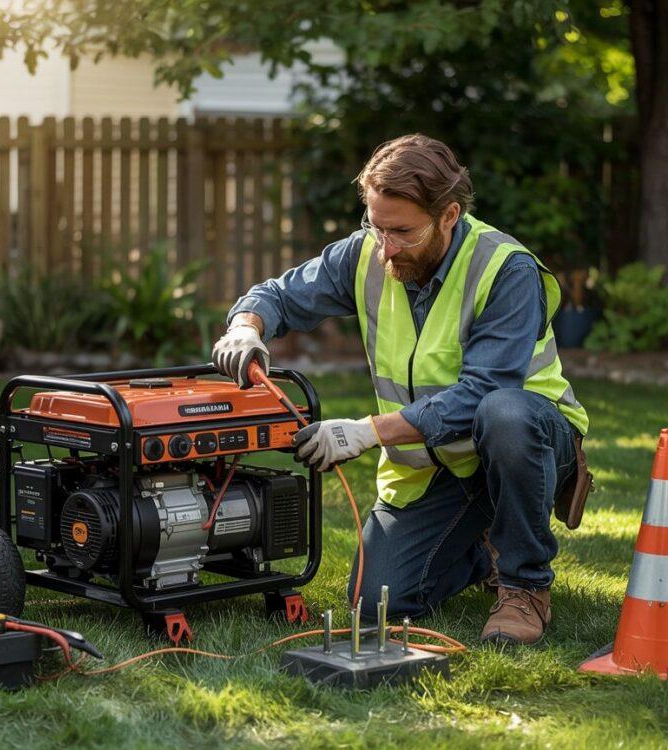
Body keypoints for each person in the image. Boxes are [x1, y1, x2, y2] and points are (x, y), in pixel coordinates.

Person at [212, 134, 591, 644]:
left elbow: (482, 393)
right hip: (435, 468)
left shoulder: (507, 270)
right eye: (376, 226)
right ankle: (481, 545)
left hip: (529, 442)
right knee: (375, 604)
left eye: (403, 232)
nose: (386, 246)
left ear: (449, 215)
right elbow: (278, 294)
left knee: (505, 414)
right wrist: (246, 327)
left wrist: (367, 432)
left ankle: (524, 586)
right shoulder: (367, 252)